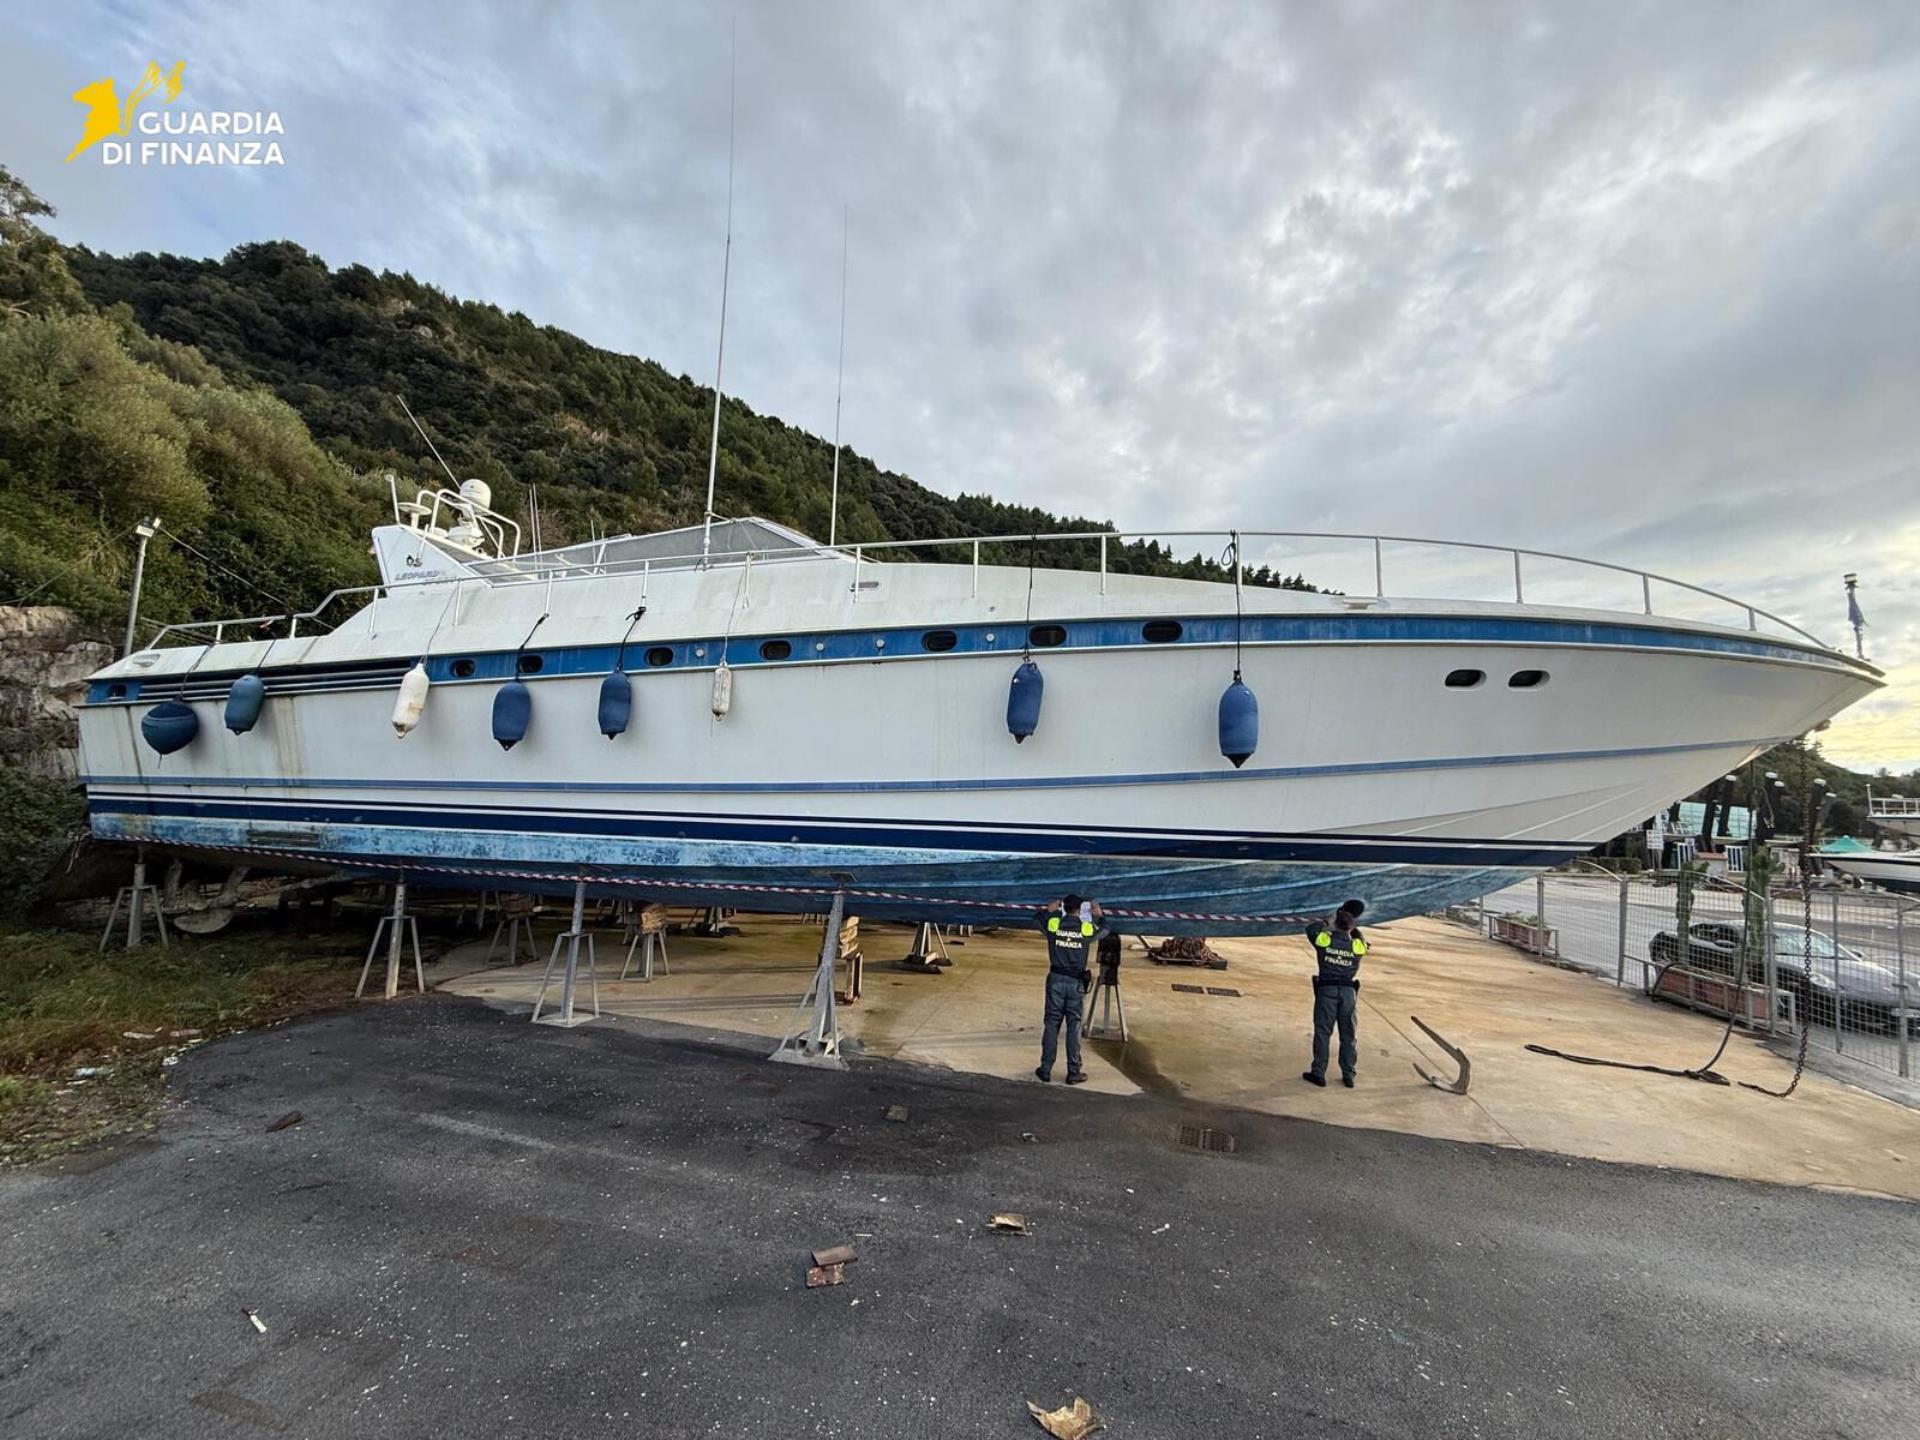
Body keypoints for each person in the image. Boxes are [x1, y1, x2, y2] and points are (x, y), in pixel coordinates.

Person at [1035, 894, 1104, 1083]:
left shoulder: (1054, 925)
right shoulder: (1085, 928)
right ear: (1080, 910)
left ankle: (1045, 1069)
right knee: (1074, 1026)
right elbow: (1105, 930)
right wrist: (1098, 915)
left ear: (1064, 908)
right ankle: (1073, 1072)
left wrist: (1048, 910)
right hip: (1075, 983)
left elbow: (1037, 920)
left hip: (1056, 980)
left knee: (1051, 1024)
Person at [1302, 901, 1368, 1088]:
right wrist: (1352, 926)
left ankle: (1318, 1073)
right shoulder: (1357, 946)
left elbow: (1311, 929)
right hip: (1348, 994)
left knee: (1323, 1032)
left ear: (1336, 923)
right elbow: (1360, 938)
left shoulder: (1325, 940)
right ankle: (1349, 1074)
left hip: (1327, 991)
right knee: (1348, 1035)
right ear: (1351, 926)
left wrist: (1327, 921)